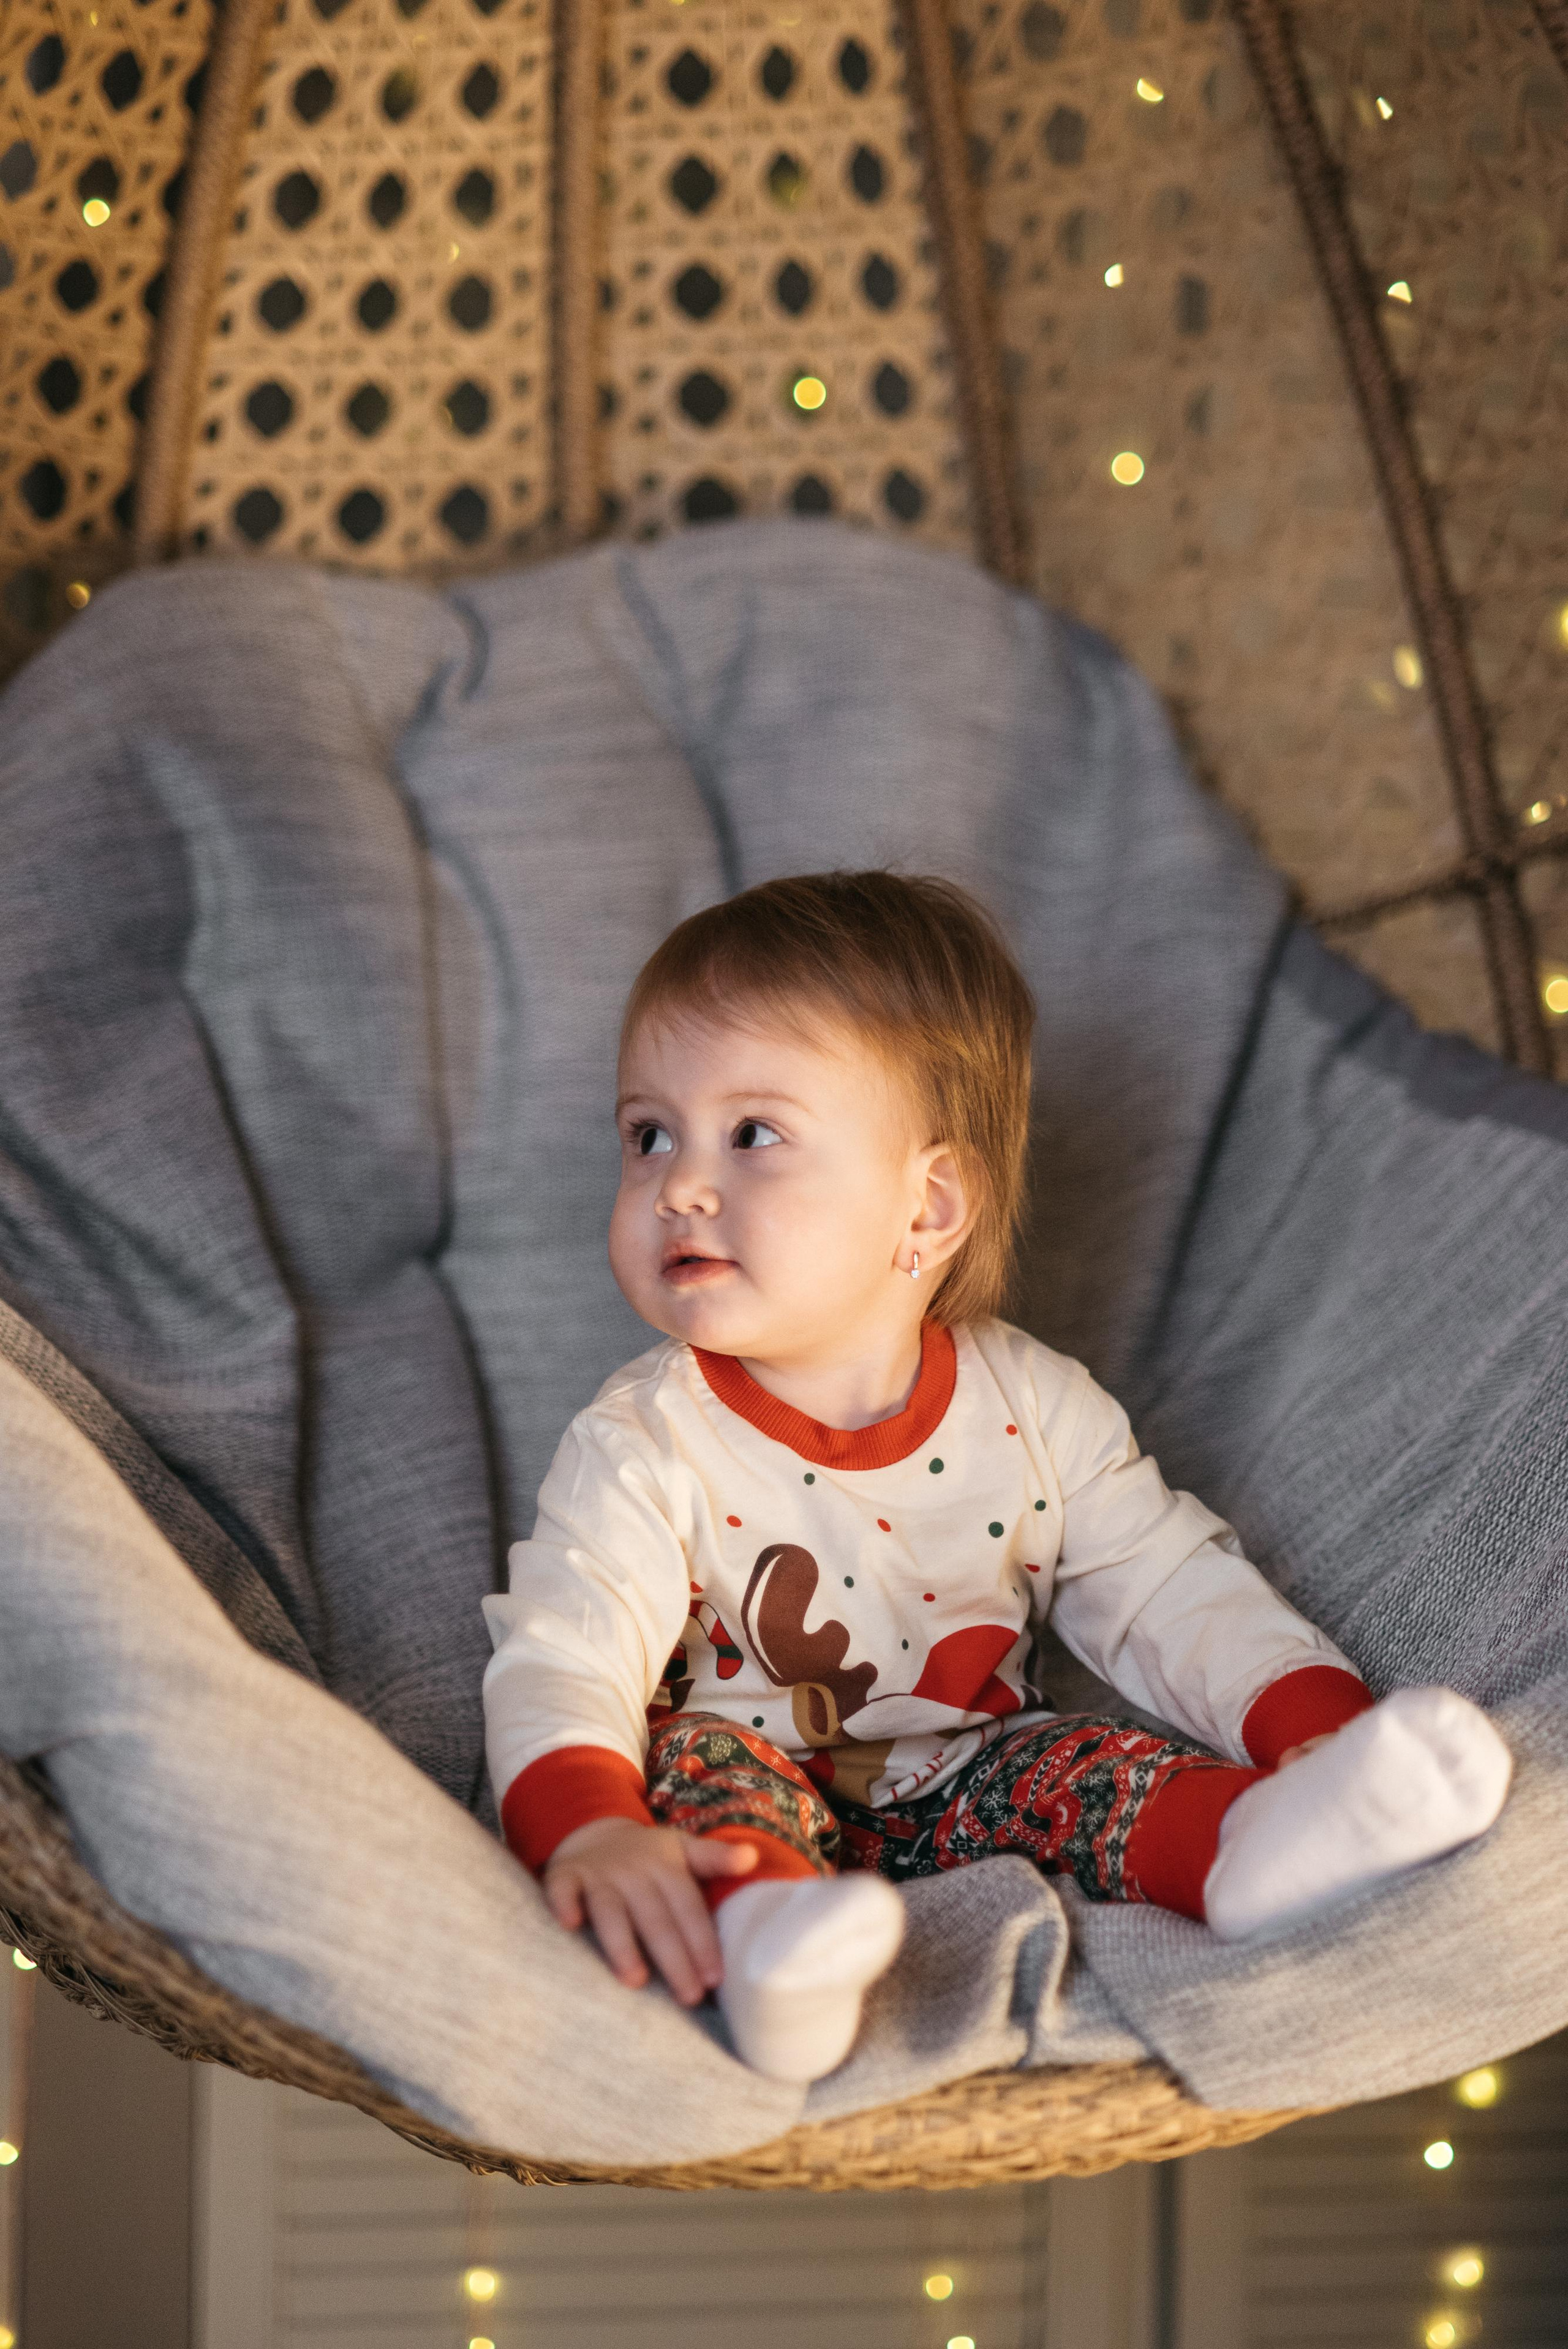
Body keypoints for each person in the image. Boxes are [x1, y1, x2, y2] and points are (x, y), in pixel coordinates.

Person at [482, 872, 1511, 2083]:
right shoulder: (646, 1444)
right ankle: (770, 1949)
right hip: (743, 1773)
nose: (679, 1183)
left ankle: (1252, 1844)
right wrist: (592, 1828)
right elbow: (567, 1653)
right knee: (700, 1783)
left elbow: (1164, 1586)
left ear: (924, 1210)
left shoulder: (1031, 1409)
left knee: (1086, 1767)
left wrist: (1310, 1729)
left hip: (964, 1776)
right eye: (648, 1132)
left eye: (750, 1133)